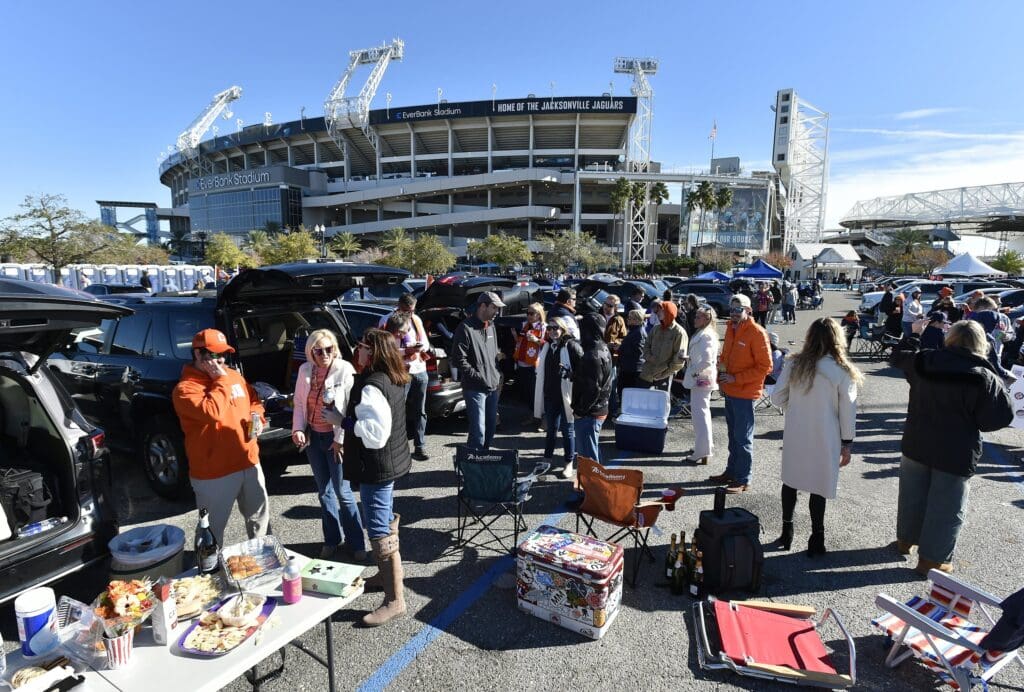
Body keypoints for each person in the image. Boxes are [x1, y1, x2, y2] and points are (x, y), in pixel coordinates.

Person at [893, 320, 1013, 575]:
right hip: (955, 449)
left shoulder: (925, 360)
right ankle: (932, 560)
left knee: (911, 496)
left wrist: (913, 335)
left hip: (917, 440)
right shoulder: (984, 375)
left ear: (950, 338)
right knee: (946, 507)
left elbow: (898, 358)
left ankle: (906, 541)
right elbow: (998, 419)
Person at [770, 318, 862, 556]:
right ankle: (817, 538)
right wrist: (847, 443)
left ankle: (786, 531)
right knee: (818, 486)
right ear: (837, 338)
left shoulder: (793, 364)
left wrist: (798, 405)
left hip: (797, 431)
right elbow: (847, 411)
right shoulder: (842, 371)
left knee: (791, 480)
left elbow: (777, 398)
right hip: (826, 434)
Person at [172, 329, 270, 545]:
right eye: (215, 355)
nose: (221, 360)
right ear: (198, 355)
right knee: (212, 530)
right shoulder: (185, 389)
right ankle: (209, 573)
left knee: (259, 521)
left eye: (223, 354)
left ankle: (264, 562)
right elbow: (212, 412)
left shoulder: (233, 376)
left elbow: (254, 400)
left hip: (248, 460)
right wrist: (220, 380)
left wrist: (258, 417)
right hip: (214, 473)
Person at [342, 329, 412, 626]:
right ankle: (385, 577)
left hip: (377, 468)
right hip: (387, 465)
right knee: (383, 522)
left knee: (380, 532)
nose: (356, 351)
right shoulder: (391, 376)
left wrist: (343, 421)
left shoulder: (373, 384)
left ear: (370, 351)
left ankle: (395, 600)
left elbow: (375, 436)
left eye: (359, 346)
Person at [291, 329, 365, 560]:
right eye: (318, 350)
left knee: (343, 493)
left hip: (336, 439)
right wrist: (298, 430)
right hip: (314, 439)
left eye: (329, 349)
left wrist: (340, 441)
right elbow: (299, 405)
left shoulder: (344, 369)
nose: (324, 354)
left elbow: (349, 409)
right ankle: (332, 540)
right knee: (324, 492)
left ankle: (357, 544)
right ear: (310, 351)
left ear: (335, 348)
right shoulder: (305, 370)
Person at [712, 294, 772, 494]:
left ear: (749, 311)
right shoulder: (730, 328)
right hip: (730, 390)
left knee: (743, 438)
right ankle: (732, 471)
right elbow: (725, 357)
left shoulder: (757, 332)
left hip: (745, 394)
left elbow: (766, 367)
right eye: (732, 309)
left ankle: (743, 479)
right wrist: (721, 377)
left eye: (739, 309)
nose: (734, 313)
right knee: (732, 436)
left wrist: (736, 379)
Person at [379, 294, 430, 461]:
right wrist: (405, 351)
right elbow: (385, 349)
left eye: (412, 310)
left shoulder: (416, 320)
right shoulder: (386, 321)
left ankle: (420, 446)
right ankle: (398, 450)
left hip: (419, 370)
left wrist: (419, 347)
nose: (410, 314)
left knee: (420, 411)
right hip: (400, 372)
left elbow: (426, 342)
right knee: (398, 412)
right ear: (398, 307)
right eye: (407, 311)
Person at [451, 291, 504, 450]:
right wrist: (480, 378)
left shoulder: (492, 326)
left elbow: (494, 354)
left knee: (490, 429)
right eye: (494, 308)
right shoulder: (465, 328)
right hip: (475, 388)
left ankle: (484, 462)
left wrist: (496, 375)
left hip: (492, 387)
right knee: (478, 432)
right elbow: (459, 360)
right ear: (482, 306)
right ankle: (473, 467)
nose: (497, 312)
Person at [534, 316, 582, 477]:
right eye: (550, 328)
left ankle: (569, 463)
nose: (553, 331)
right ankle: (547, 459)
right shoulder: (548, 346)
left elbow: (583, 372)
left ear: (563, 329)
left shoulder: (571, 346)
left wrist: (570, 374)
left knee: (567, 431)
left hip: (566, 396)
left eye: (556, 328)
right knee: (551, 430)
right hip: (550, 395)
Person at [572, 313, 613, 466]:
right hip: (599, 408)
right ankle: (596, 484)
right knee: (592, 450)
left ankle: (593, 488)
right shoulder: (602, 347)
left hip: (590, 413)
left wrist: (579, 411)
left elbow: (592, 389)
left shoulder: (592, 354)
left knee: (588, 457)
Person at [681, 305, 719, 465]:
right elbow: (701, 358)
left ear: (707, 319)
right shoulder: (704, 333)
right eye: (695, 316)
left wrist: (694, 372)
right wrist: (688, 358)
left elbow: (707, 360)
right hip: (700, 378)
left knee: (700, 415)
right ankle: (704, 446)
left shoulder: (707, 335)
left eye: (698, 317)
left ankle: (703, 451)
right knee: (701, 414)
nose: (694, 319)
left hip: (701, 379)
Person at [640, 300, 687, 389]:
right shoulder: (656, 329)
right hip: (647, 374)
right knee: (643, 401)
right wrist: (650, 357)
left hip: (664, 377)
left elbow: (679, 360)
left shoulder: (679, 333)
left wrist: (664, 374)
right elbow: (646, 346)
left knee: (661, 402)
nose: (657, 313)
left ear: (669, 312)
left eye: (661, 310)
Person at [513, 303, 546, 420]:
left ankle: (543, 419)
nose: (529, 316)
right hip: (522, 363)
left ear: (539, 315)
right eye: (527, 313)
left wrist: (537, 340)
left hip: (535, 366)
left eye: (531, 313)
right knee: (526, 392)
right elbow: (521, 342)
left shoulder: (543, 327)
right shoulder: (524, 325)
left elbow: (548, 344)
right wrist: (515, 337)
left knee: (536, 393)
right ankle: (532, 415)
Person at [602, 295, 627, 416]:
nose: (606, 307)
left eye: (610, 305)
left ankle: (611, 411)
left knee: (611, 385)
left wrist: (617, 343)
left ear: (616, 307)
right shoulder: (597, 316)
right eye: (605, 304)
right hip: (598, 356)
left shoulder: (619, 320)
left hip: (612, 357)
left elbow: (624, 338)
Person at [617, 309, 647, 394]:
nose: (627, 320)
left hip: (633, 370)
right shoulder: (634, 330)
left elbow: (639, 351)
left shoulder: (638, 332)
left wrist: (621, 348)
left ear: (637, 320)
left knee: (628, 395)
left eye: (630, 318)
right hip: (629, 368)